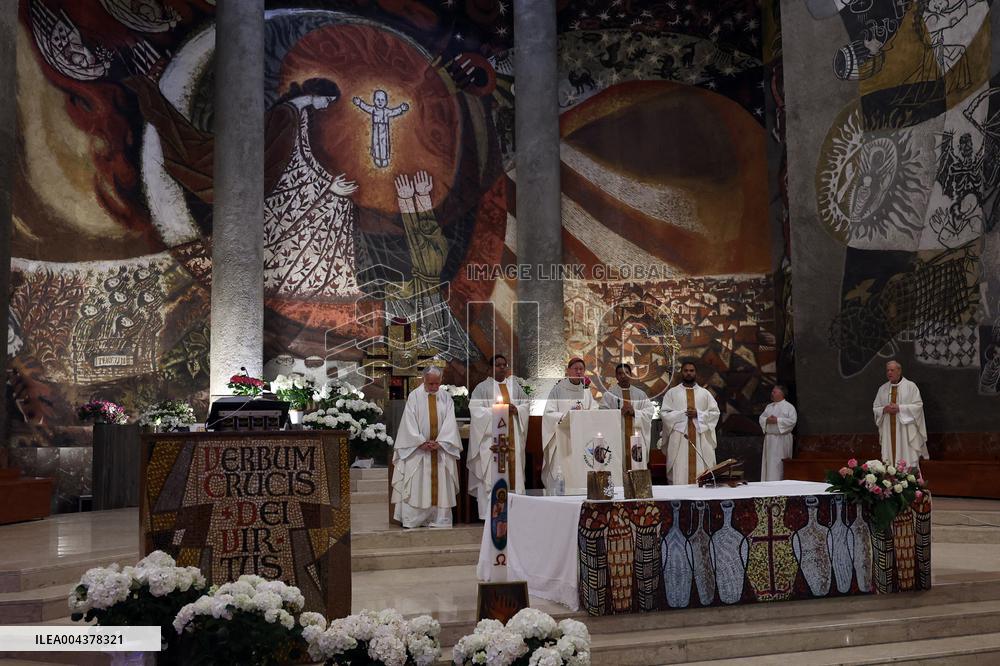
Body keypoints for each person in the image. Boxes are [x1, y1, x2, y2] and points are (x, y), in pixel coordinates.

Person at [391, 366, 462, 528]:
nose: (434, 387)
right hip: (418, 450)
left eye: (437, 384)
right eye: (431, 384)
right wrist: (420, 441)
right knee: (417, 484)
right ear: (424, 380)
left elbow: (450, 423)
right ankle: (415, 519)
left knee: (441, 486)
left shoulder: (446, 398)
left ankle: (439, 519)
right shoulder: (414, 397)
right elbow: (408, 422)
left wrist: (442, 442)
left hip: (440, 450)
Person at [468, 354, 530, 520]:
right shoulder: (482, 388)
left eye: (504, 365)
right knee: (490, 474)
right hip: (491, 441)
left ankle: (515, 513)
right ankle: (490, 514)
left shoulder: (515, 386)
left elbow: (526, 404)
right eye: (498, 365)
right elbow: (475, 410)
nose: (502, 368)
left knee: (514, 475)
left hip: (513, 440)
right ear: (490, 368)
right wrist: (498, 410)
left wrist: (516, 409)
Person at [541, 357, 598, 490]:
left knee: (579, 472)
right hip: (562, 437)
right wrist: (565, 417)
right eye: (575, 369)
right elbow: (549, 413)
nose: (579, 372)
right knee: (562, 471)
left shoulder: (586, 391)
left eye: (581, 369)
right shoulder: (558, 389)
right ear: (568, 371)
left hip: (581, 439)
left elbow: (594, 410)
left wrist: (583, 413)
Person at [659, 361, 720, 484]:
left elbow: (715, 413)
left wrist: (699, 414)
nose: (688, 373)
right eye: (686, 370)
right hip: (680, 439)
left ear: (695, 373)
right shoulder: (672, 393)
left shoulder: (705, 394)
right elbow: (664, 414)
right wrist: (683, 414)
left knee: (701, 469)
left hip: (700, 439)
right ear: (682, 372)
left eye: (691, 371)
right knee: (680, 472)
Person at [600, 363, 656, 478]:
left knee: (636, 464)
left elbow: (650, 412)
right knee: (618, 466)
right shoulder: (609, 395)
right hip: (618, 437)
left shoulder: (640, 394)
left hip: (636, 436)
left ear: (631, 375)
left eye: (626, 373)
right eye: (620, 373)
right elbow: (602, 414)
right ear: (616, 376)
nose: (623, 376)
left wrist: (635, 412)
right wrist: (618, 413)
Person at [873, 360, 929, 467]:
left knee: (906, 457)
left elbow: (918, 406)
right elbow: (876, 407)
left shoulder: (910, 386)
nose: (889, 373)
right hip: (888, 429)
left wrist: (900, 408)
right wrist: (884, 410)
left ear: (899, 371)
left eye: (892, 370)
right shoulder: (882, 389)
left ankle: (908, 479)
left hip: (905, 430)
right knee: (889, 459)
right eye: (887, 370)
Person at [758, 385, 797, 481]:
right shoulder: (769, 407)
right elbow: (761, 418)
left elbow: (792, 421)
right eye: (772, 391)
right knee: (770, 463)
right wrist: (767, 420)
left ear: (782, 394)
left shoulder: (789, 407)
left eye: (774, 392)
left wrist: (777, 421)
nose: (772, 393)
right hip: (770, 439)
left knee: (779, 464)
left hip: (782, 439)